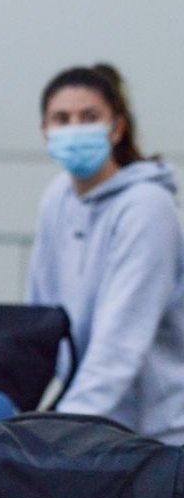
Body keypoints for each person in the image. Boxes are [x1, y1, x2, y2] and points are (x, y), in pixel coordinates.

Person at [26, 63, 184, 444]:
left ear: (117, 127)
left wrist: (60, 431)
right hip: (94, 430)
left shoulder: (147, 207)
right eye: (61, 118)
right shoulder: (57, 196)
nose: (75, 128)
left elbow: (121, 342)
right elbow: (41, 319)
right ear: (45, 131)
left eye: (89, 117)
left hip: (159, 435)